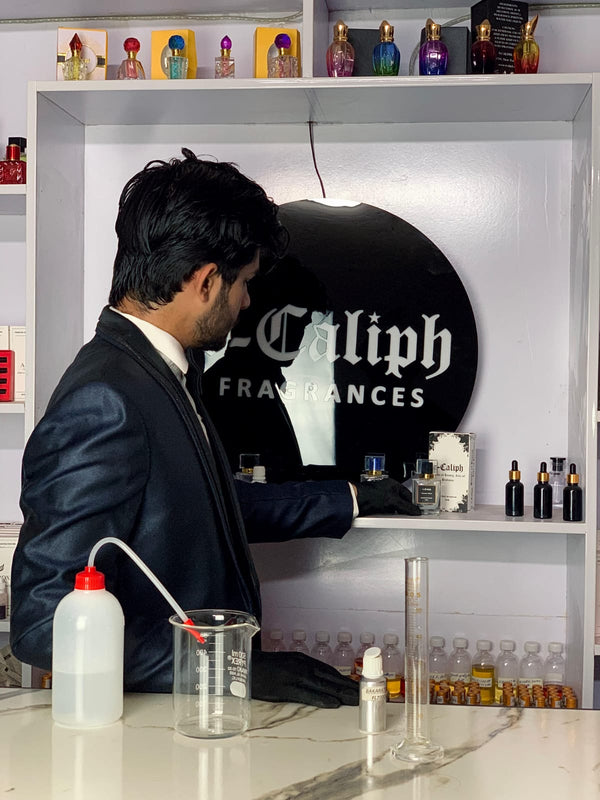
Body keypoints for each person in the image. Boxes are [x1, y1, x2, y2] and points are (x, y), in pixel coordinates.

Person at [10, 149, 418, 707]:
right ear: (205, 281)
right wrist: (229, 667)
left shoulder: (161, 372)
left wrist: (347, 498)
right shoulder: (104, 400)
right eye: (244, 283)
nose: (247, 302)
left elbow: (204, 504)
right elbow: (42, 622)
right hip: (155, 734)